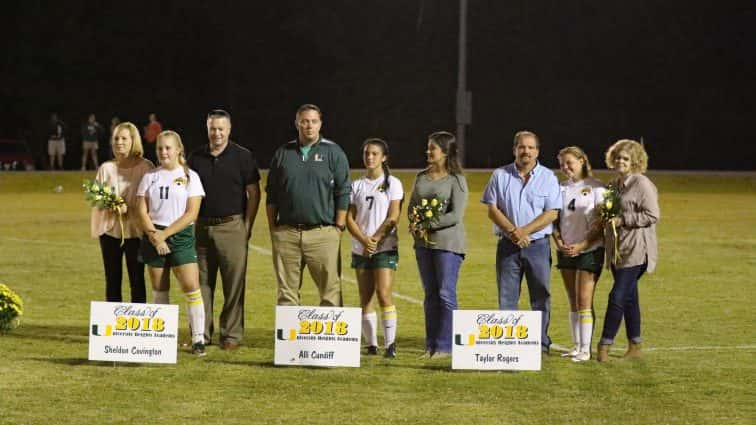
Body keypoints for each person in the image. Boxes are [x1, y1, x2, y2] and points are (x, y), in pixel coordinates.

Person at [480, 130, 561, 354]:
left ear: (537, 151)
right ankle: (510, 346)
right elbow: (492, 209)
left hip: (538, 246)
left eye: (530, 147)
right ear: (514, 149)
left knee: (540, 297)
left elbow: (552, 213)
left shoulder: (548, 177)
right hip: (508, 246)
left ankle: (541, 344)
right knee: (507, 297)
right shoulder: (500, 175)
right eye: (522, 147)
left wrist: (524, 231)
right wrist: (513, 232)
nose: (526, 151)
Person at [188, 109, 261, 351]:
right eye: (212, 128)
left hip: (231, 226)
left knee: (233, 285)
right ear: (207, 128)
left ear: (229, 130)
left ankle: (231, 335)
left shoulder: (242, 156)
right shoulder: (195, 157)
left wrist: (247, 225)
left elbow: (253, 193)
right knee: (201, 284)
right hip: (201, 227)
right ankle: (202, 334)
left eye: (221, 128)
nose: (216, 133)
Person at [266, 104, 351, 307]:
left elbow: (343, 191)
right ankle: (290, 339)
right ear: (297, 124)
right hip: (287, 233)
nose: (309, 126)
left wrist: (338, 227)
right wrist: (274, 229)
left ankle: (328, 339)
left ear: (320, 124)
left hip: (322, 233)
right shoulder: (283, 153)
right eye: (304, 121)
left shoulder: (334, 152)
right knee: (286, 294)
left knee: (330, 292)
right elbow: (272, 194)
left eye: (313, 121)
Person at [136, 130, 207, 356]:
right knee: (159, 288)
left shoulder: (190, 176)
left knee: (190, 286)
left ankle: (198, 339)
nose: (164, 152)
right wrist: (153, 235)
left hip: (180, 237)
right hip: (153, 236)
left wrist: (164, 236)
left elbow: (192, 213)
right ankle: (162, 337)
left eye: (168, 148)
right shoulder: (150, 177)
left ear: (178, 150)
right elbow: (141, 209)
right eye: (160, 148)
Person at [597, 139, 659, 362]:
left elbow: (653, 215)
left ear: (635, 161)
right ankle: (635, 346)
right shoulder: (613, 185)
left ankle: (604, 345)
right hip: (617, 251)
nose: (620, 161)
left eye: (625, 158)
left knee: (618, 296)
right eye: (618, 158)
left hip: (637, 249)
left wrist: (623, 219)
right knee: (630, 298)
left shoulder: (642, 184)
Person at [408, 131, 467, 359]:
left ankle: (446, 346)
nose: (428, 151)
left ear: (445, 152)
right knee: (430, 295)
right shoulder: (421, 176)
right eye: (428, 147)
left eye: (433, 148)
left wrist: (428, 224)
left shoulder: (456, 179)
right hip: (423, 244)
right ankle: (430, 345)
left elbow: (456, 215)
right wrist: (414, 222)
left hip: (448, 245)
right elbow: (413, 204)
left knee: (445, 294)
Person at [346, 138, 403, 358]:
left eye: (374, 154)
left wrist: (375, 240)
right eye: (367, 153)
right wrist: (363, 240)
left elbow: (393, 216)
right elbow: (350, 218)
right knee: (365, 297)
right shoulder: (356, 185)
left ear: (384, 157)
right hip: (361, 248)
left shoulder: (393, 183)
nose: (370, 157)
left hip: (385, 246)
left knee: (383, 293)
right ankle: (371, 345)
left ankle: (390, 345)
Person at [551, 146, 606, 362]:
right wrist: (559, 241)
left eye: (569, 163)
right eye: (562, 164)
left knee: (584, 300)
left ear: (582, 161)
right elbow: (554, 218)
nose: (565, 167)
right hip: (565, 250)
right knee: (572, 300)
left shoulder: (597, 188)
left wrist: (583, 245)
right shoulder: (560, 188)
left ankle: (585, 349)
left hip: (589, 250)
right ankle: (576, 346)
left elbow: (601, 223)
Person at [91, 122, 153, 303]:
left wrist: (132, 207)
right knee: (112, 279)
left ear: (133, 140)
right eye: (116, 138)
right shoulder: (105, 168)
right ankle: (113, 326)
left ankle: (138, 325)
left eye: (124, 138)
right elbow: (95, 198)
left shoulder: (145, 167)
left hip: (137, 232)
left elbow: (152, 200)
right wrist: (109, 205)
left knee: (137, 279)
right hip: (110, 232)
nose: (119, 142)